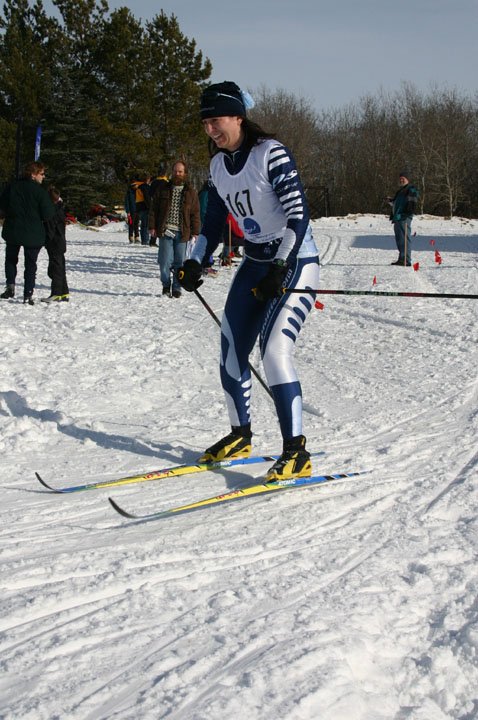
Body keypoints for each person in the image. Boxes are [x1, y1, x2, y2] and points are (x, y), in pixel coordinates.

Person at [178, 81, 320, 481]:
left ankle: (296, 451)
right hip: (255, 262)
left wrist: (280, 266)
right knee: (231, 350)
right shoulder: (217, 167)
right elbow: (211, 223)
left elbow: (298, 216)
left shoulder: (270, 154)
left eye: (216, 120)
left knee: (274, 352)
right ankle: (241, 434)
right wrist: (195, 262)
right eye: (205, 123)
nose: (210, 129)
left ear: (238, 117)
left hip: (294, 261)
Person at [0, 161, 55, 305]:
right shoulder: (40, 192)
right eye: (41, 174)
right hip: (33, 233)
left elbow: (2, 205)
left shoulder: (12, 187)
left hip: (13, 230)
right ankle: (28, 293)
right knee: (30, 264)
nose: (43, 176)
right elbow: (48, 214)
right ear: (33, 174)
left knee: (10, 260)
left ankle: (10, 287)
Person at [149, 160, 200, 298]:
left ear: (185, 173)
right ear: (172, 172)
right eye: (175, 171)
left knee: (180, 263)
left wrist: (196, 232)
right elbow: (153, 209)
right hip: (165, 230)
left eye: (180, 172)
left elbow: (195, 213)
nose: (177, 174)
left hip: (182, 233)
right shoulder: (163, 189)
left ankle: (177, 287)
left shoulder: (191, 192)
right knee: (164, 261)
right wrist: (152, 226)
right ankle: (166, 285)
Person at [42, 186, 69, 302]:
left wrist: (46, 240)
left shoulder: (52, 211)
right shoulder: (60, 208)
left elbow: (50, 229)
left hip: (54, 242)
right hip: (60, 242)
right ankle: (64, 292)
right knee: (60, 267)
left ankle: (56, 293)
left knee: (55, 268)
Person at [387, 170, 419, 267]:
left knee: (404, 238)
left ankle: (406, 259)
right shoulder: (401, 191)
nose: (401, 180)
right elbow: (397, 203)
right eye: (400, 178)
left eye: (403, 178)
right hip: (397, 217)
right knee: (400, 239)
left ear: (407, 179)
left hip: (404, 217)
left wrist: (408, 212)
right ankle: (401, 258)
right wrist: (391, 201)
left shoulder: (411, 189)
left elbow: (412, 201)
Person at [131, 173, 151, 245]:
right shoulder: (145, 187)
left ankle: (144, 239)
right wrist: (150, 206)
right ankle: (145, 240)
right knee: (145, 224)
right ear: (147, 179)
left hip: (139, 206)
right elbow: (147, 197)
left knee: (143, 224)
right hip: (145, 206)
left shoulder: (137, 187)